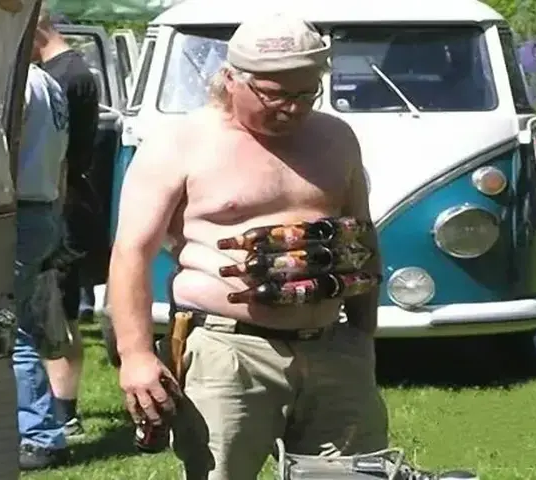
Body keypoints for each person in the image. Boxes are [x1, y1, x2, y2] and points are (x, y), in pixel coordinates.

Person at [110, 14, 391, 480]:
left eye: (306, 93)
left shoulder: (336, 137)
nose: (292, 108)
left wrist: (362, 337)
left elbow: (360, 238)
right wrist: (136, 355)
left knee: (352, 475)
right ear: (231, 79)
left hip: (332, 347)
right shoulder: (182, 142)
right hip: (228, 351)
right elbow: (130, 253)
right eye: (274, 94)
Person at [32, 4, 100, 439]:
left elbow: (65, 156)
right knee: (57, 310)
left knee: (57, 313)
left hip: (62, 206)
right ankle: (60, 410)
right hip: (64, 202)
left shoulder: (65, 76)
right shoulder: (67, 71)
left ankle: (63, 413)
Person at [14, 63, 69, 471]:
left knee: (4, 329)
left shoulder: (11, 78)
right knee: (16, 326)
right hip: (41, 208)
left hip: (11, 212)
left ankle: (41, 436)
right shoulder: (46, 81)